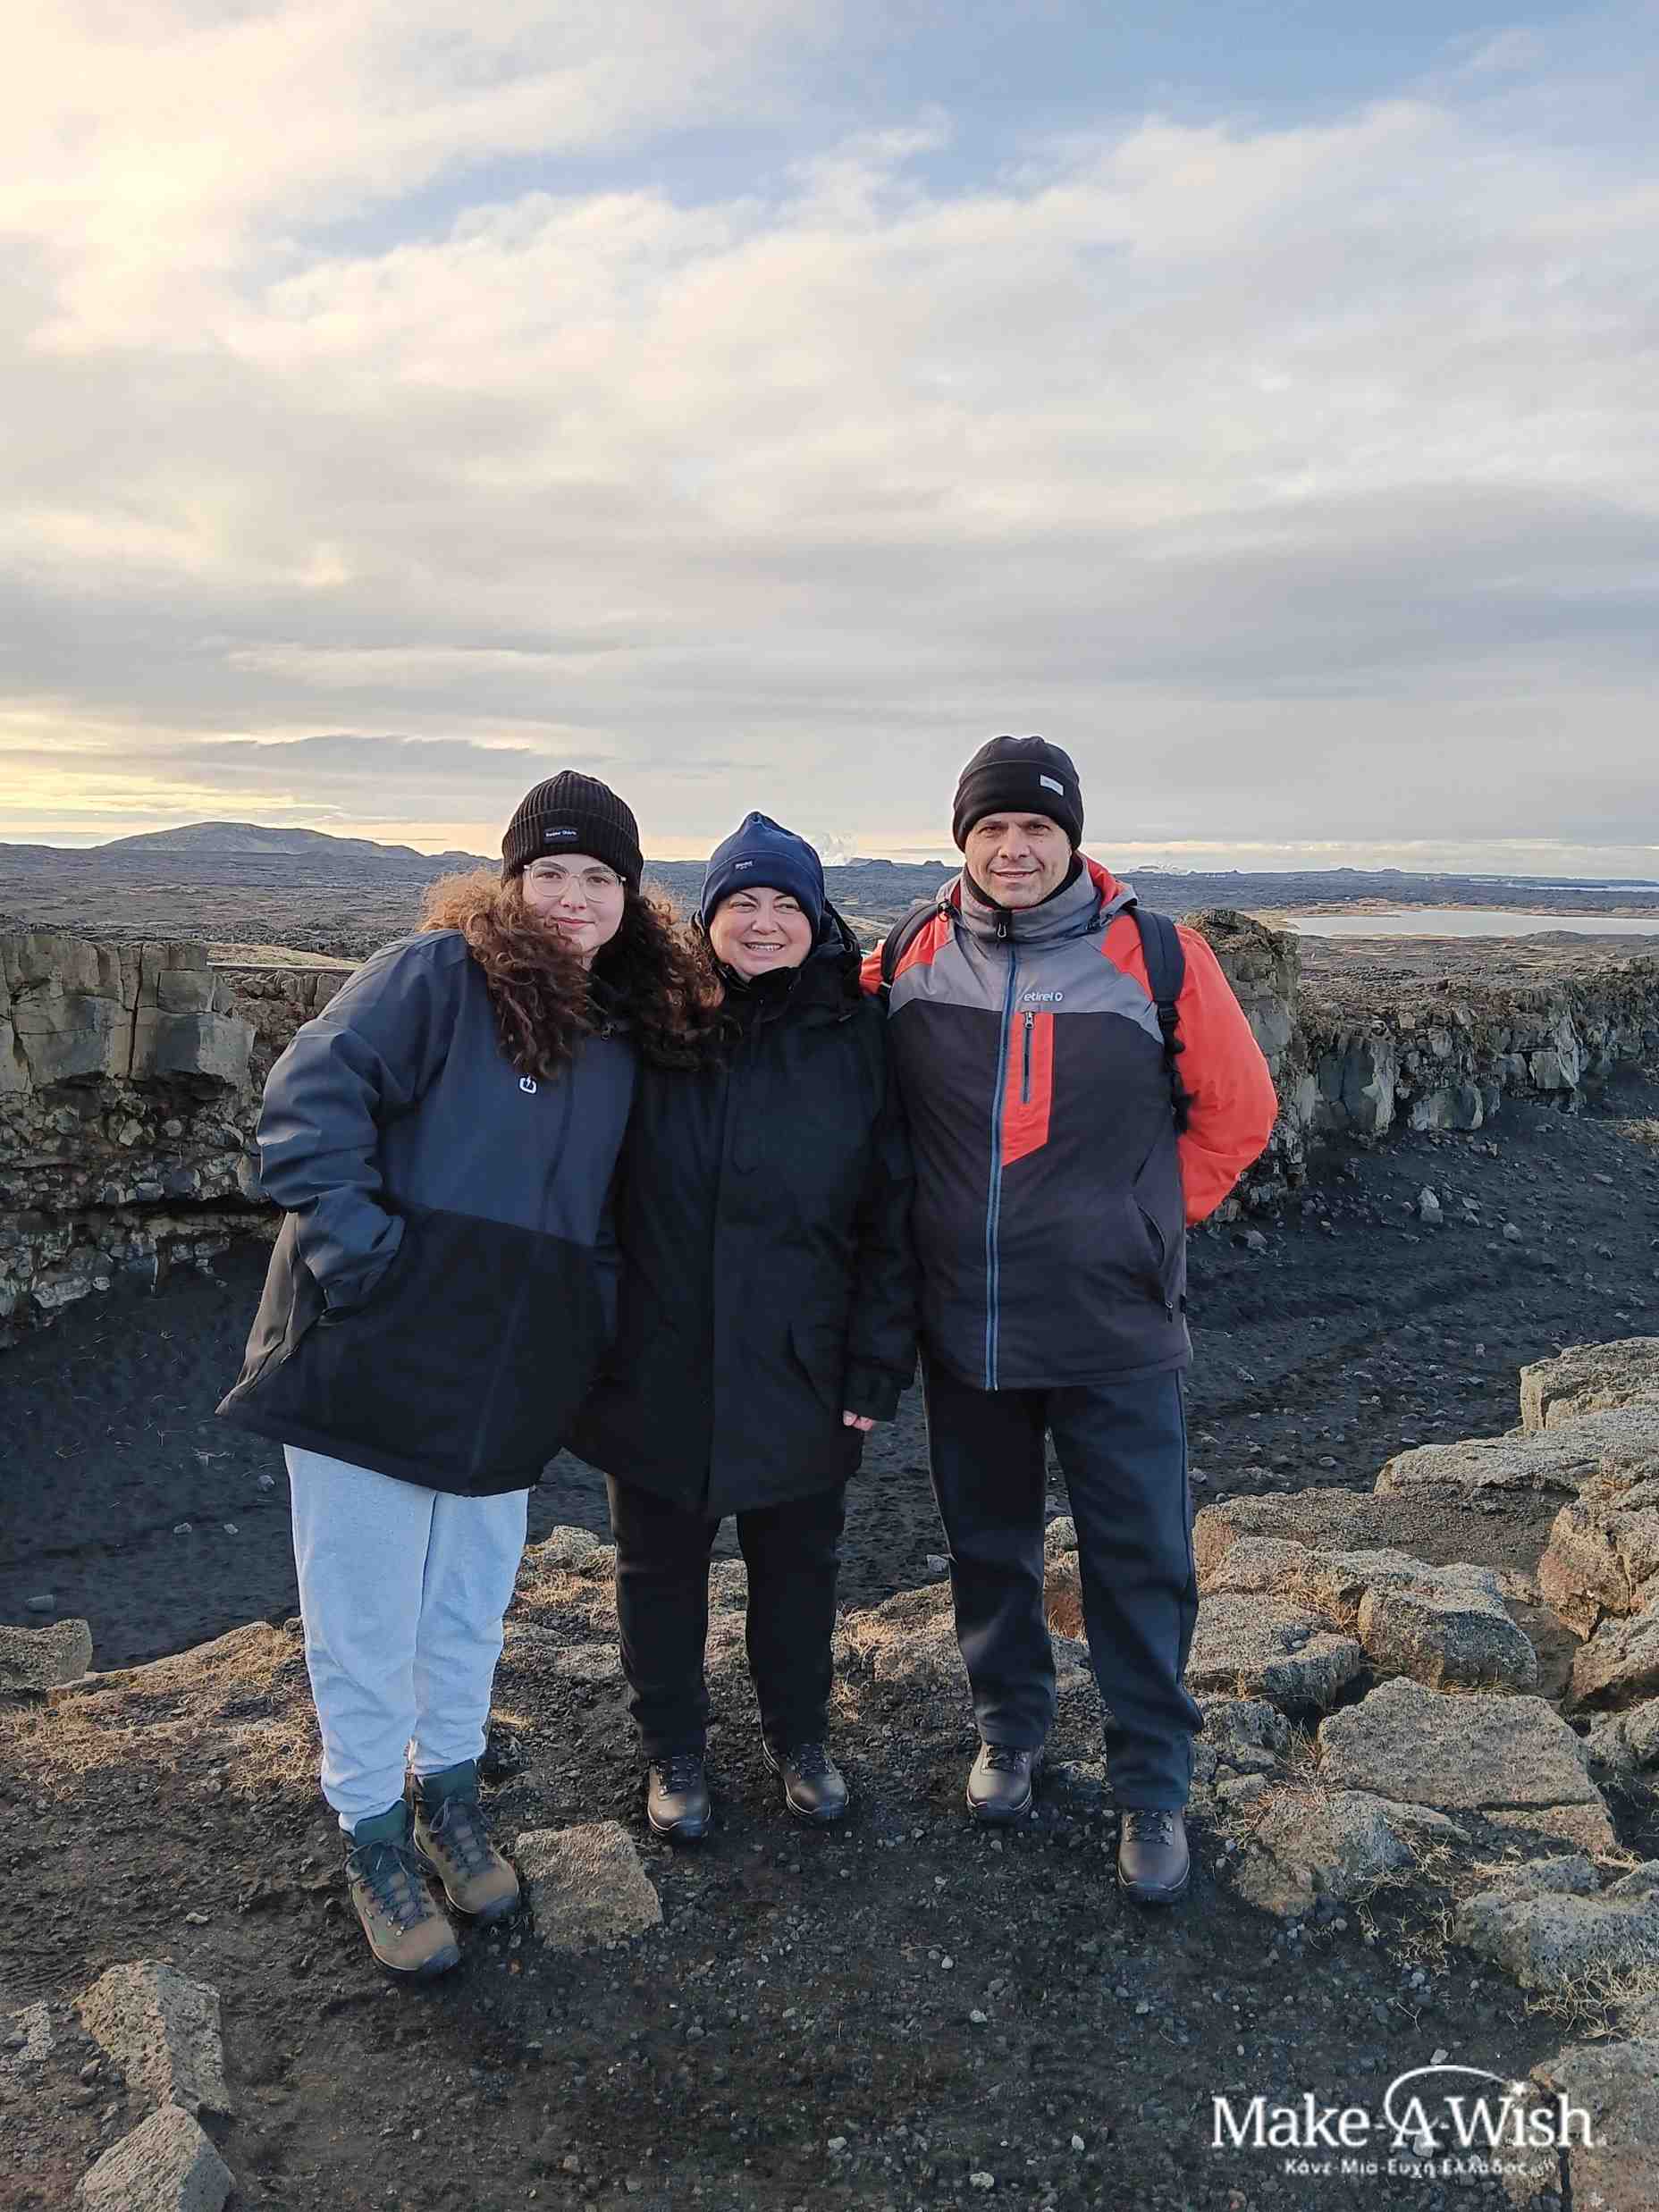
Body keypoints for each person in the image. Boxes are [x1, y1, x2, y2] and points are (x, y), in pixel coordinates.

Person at [218, 772, 716, 1976]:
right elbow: (307, 1105)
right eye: (549, 872)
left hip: (510, 1373)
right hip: (373, 1356)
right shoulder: (435, 974)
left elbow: (604, 1211)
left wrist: (584, 1323)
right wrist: (370, 1264)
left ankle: (449, 1798)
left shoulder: (614, 1028)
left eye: (597, 876)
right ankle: (371, 1835)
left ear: (630, 895)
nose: (571, 896)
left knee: (466, 1606)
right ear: (509, 881)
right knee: (364, 1613)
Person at [863, 736, 1277, 1906]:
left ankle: (1152, 1784)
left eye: (1035, 827)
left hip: (1112, 1329)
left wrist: (1141, 1224)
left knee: (1139, 1558)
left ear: (1071, 837)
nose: (1013, 847)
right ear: (963, 838)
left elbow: (1239, 1114)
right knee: (986, 1544)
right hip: (969, 1329)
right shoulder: (908, 954)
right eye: (991, 827)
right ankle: (1010, 1730)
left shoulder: (1157, 955)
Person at [571, 812, 915, 1838]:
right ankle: (673, 1752)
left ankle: (799, 1739)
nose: (763, 922)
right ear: (709, 915)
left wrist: (875, 1366)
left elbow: (890, 1216)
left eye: (784, 904)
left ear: (816, 917)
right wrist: (592, 1340)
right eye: (741, 902)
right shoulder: (651, 1021)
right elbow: (589, 1191)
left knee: (799, 1569)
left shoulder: (859, 1037)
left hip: (803, 1362)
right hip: (654, 1357)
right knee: (656, 1572)